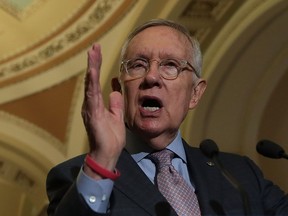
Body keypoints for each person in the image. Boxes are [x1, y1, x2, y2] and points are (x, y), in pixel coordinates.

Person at [46, 19, 288, 216]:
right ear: (118, 90)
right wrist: (103, 160)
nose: (152, 77)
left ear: (195, 94)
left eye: (170, 65)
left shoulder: (239, 175)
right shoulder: (76, 175)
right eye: (138, 65)